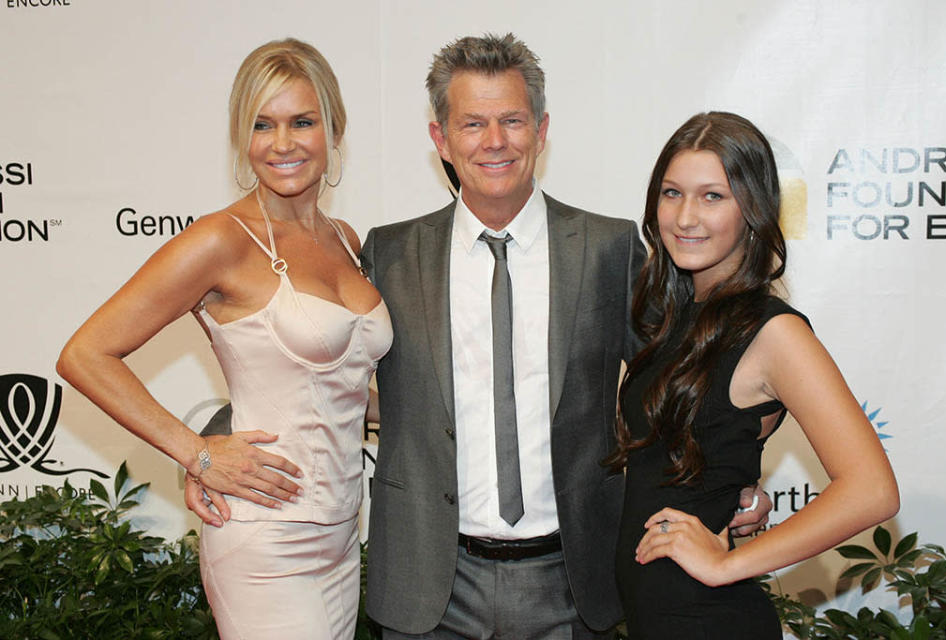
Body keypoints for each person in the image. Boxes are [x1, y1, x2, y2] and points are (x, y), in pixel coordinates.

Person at [187, 33, 772, 638]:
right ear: (441, 138)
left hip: (573, 584)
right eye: (472, 124)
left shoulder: (610, 248)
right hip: (429, 587)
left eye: (512, 120)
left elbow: (690, 380)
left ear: (541, 130)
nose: (495, 142)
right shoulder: (388, 252)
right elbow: (308, 367)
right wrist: (211, 449)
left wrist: (733, 478)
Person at [57, 38, 391, 640]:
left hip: (343, 536)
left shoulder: (344, 237)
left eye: (302, 122)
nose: (282, 143)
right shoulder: (220, 240)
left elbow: (324, 384)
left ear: (334, 128)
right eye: (262, 124)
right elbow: (85, 354)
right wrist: (198, 453)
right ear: (242, 136)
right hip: (266, 542)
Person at [610, 112, 900, 639]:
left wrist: (727, 564)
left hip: (709, 622)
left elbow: (872, 489)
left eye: (713, 196)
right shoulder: (677, 318)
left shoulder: (775, 332)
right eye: (672, 193)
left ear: (754, 209)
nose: (686, 217)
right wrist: (736, 491)